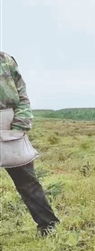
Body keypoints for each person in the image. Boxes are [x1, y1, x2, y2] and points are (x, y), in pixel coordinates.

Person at [0, 52, 59, 235]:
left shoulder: (5, 59)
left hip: (9, 125)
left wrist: (21, 123)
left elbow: (22, 93)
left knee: (27, 181)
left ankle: (48, 226)